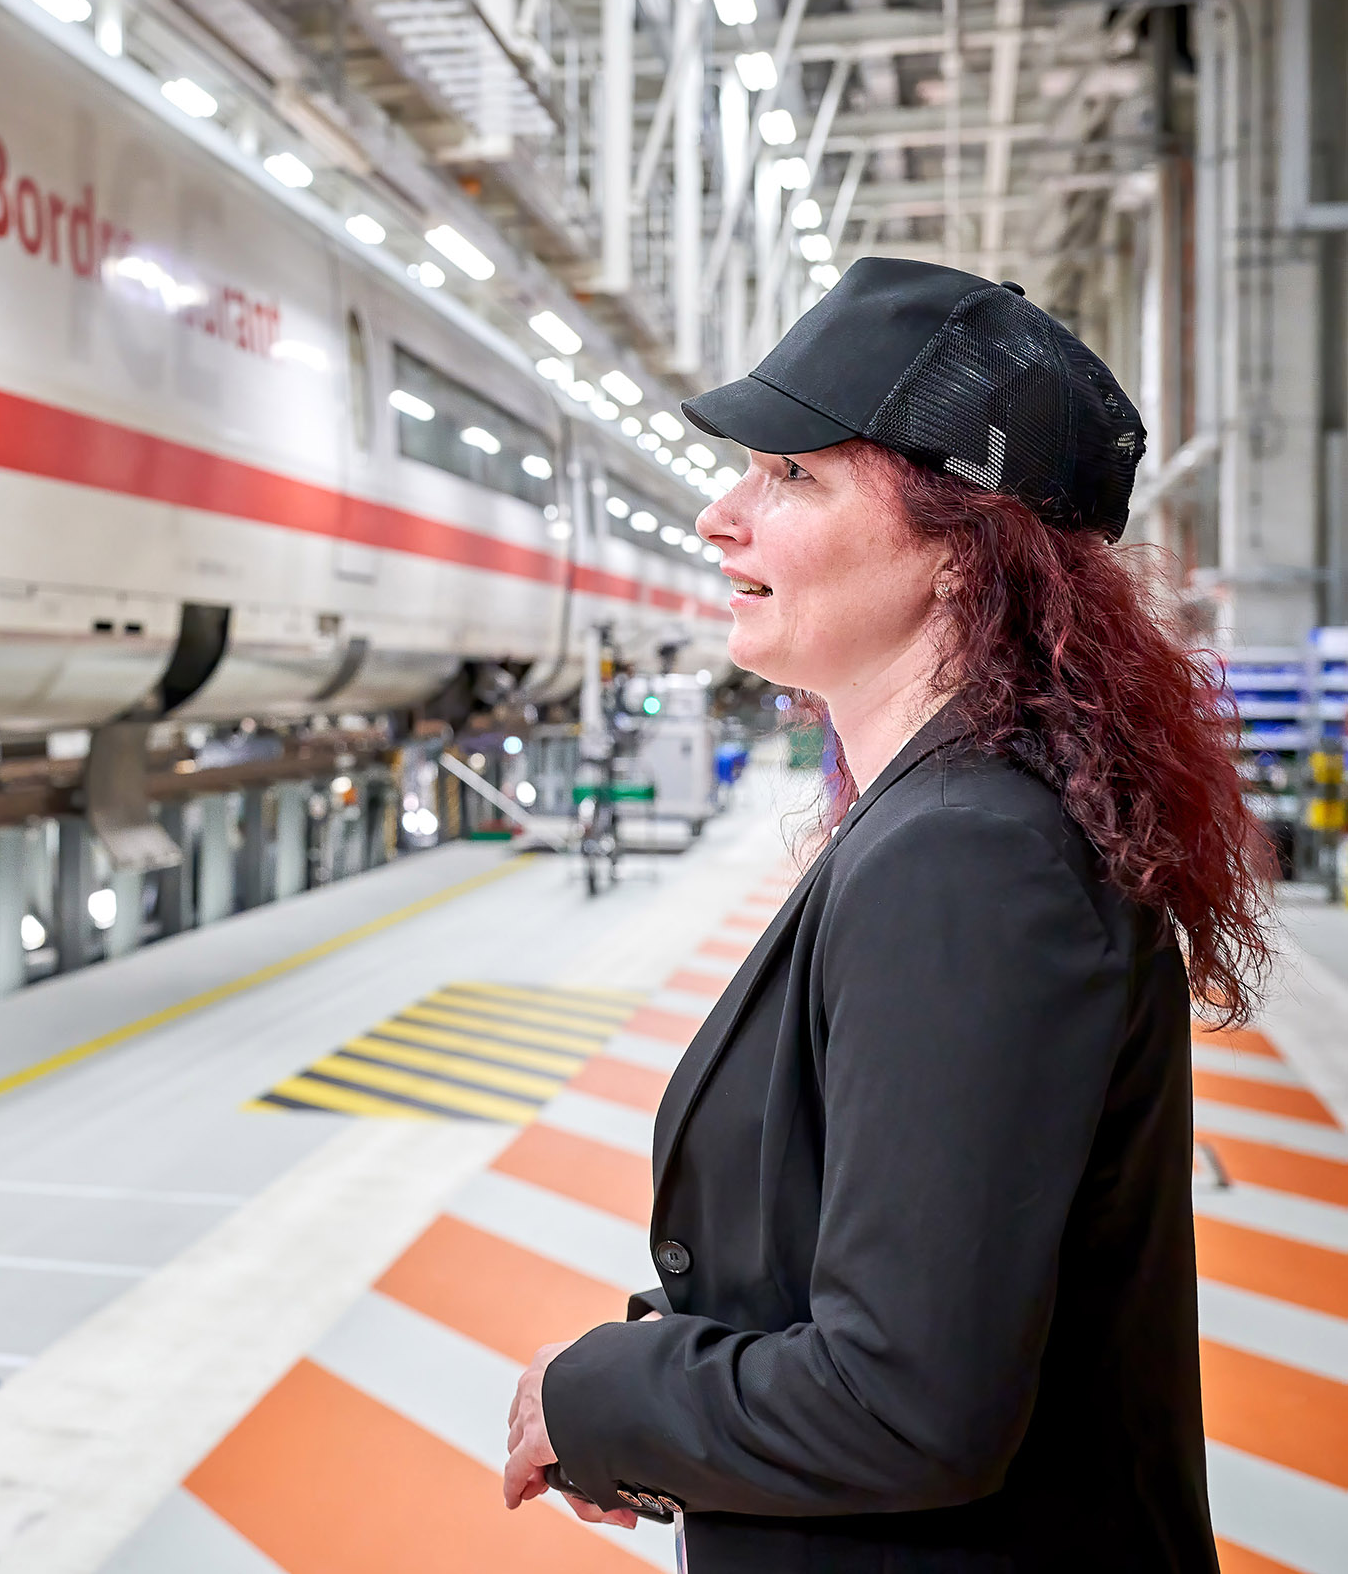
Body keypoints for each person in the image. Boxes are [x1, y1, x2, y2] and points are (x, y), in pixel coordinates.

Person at [497, 258, 1268, 1571]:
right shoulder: (951, 813)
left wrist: (598, 1394)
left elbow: (907, 1405)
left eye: (789, 475)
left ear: (963, 547)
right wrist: (658, 1393)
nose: (717, 516)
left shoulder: (970, 858)